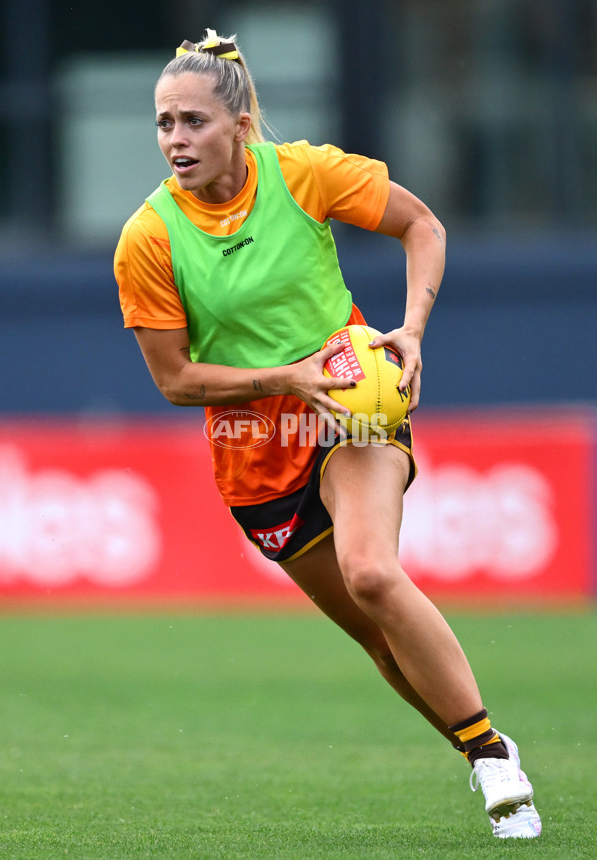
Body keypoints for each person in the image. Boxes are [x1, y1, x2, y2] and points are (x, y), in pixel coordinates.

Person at [114, 29, 541, 840]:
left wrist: (412, 328)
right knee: (381, 645)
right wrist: (285, 378)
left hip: (349, 402)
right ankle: (479, 740)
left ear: (240, 127)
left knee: (374, 572)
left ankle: (491, 757)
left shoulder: (302, 172)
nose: (176, 140)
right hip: (253, 452)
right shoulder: (148, 238)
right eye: (164, 123)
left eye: (194, 122)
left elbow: (423, 226)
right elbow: (174, 381)